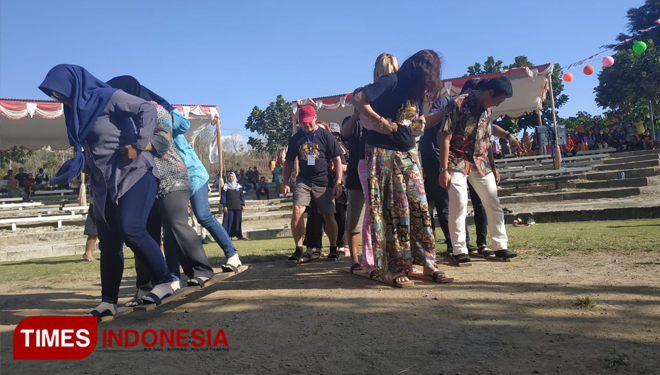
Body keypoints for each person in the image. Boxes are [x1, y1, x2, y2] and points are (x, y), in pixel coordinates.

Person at [39, 64, 173, 319]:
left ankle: (164, 281)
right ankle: (108, 301)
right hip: (105, 184)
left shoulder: (108, 97)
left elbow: (146, 108)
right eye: (54, 96)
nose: (60, 99)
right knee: (109, 243)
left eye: (61, 93)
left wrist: (139, 144)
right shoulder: (76, 113)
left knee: (132, 229)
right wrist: (86, 163)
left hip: (135, 174)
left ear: (75, 84)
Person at [107, 75, 242, 272]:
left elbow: (183, 125)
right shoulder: (132, 121)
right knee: (169, 227)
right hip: (167, 178)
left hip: (190, 172)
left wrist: (160, 111)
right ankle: (173, 277)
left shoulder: (159, 112)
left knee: (203, 215)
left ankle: (232, 254)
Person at [352, 49, 453, 287]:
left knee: (419, 208)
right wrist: (380, 121)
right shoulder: (391, 80)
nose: (430, 83)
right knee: (393, 211)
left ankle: (428, 263)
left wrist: (446, 111)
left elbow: (419, 123)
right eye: (429, 77)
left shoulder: (414, 92)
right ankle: (393, 267)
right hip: (382, 152)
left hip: (408, 152)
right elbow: (359, 101)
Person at [438, 76, 518, 265]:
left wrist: (493, 165)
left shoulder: (488, 110)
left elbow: (487, 140)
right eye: (498, 100)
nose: (498, 104)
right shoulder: (457, 104)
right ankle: (459, 250)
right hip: (456, 161)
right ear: (490, 92)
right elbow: (444, 137)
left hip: (481, 163)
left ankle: (500, 246)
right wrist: (443, 169)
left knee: (493, 202)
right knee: (459, 204)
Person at [281, 104, 344, 262]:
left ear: (315, 118)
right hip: (304, 179)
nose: (306, 125)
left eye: (309, 122)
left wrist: (338, 181)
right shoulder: (296, 138)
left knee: (328, 215)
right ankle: (298, 249)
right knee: (297, 210)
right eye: (303, 122)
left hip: (324, 180)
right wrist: (285, 182)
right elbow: (288, 162)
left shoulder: (325, 135)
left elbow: (337, 158)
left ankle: (333, 248)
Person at [221, 172, 247, 240]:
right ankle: (227, 236)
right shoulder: (225, 186)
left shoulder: (238, 186)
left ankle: (239, 235)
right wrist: (224, 206)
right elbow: (223, 197)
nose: (231, 178)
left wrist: (243, 204)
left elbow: (242, 196)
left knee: (237, 221)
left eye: (232, 176)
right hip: (229, 207)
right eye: (230, 176)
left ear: (234, 177)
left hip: (237, 207)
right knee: (228, 222)